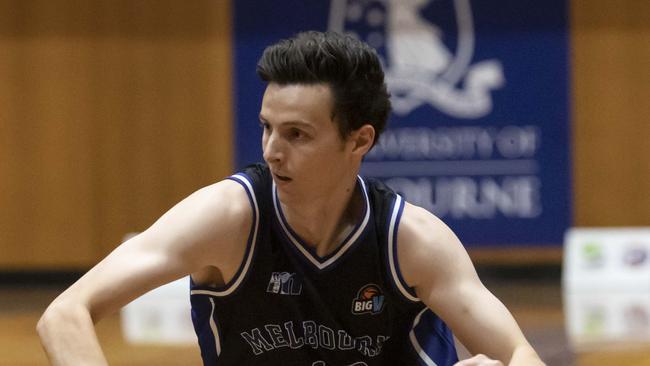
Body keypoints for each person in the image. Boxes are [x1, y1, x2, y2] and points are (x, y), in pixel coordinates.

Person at [37, 31, 544, 366]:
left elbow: (520, 353)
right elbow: (65, 313)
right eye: (266, 128)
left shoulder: (411, 241)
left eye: (297, 135)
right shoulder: (228, 218)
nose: (272, 152)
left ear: (359, 140)